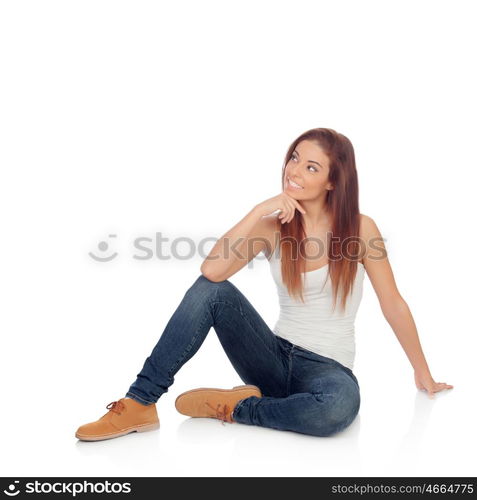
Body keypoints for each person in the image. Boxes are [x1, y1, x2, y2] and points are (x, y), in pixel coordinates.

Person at [75, 128, 453, 442]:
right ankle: (140, 402)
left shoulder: (360, 228)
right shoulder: (274, 226)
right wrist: (259, 211)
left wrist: (422, 371)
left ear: (333, 180)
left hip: (328, 368)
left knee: (338, 408)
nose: (295, 171)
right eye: (294, 158)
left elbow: (393, 303)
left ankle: (236, 407)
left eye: (311, 166)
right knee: (212, 291)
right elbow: (211, 271)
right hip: (270, 358)